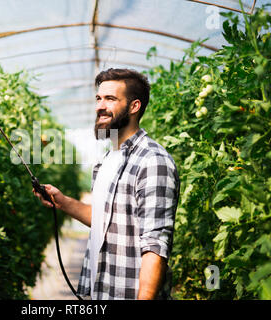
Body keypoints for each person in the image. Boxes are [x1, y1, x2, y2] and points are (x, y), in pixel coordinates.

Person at [33, 68, 180, 300]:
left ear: (134, 106)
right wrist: (64, 202)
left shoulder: (152, 161)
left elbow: (155, 246)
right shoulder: (106, 161)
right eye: (98, 98)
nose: (99, 106)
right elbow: (107, 221)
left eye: (110, 99)